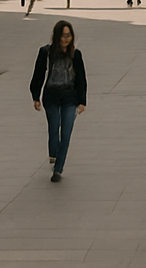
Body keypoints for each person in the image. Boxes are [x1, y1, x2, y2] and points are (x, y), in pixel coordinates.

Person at [30, 19, 87, 182]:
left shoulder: (76, 54)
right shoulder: (46, 52)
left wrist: (82, 101)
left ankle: (58, 169)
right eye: (63, 36)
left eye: (69, 35)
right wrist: (36, 97)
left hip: (70, 97)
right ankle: (53, 153)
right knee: (54, 128)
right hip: (52, 96)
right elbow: (38, 74)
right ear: (56, 36)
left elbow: (81, 78)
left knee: (66, 133)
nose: (66, 39)